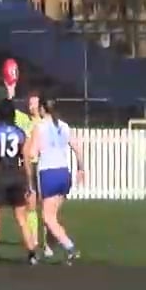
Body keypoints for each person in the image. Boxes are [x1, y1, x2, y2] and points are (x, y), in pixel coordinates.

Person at [0, 98, 40, 266]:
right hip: (16, 177)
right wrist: (30, 184)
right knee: (21, 218)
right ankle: (32, 254)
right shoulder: (20, 134)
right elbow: (26, 160)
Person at [33, 97, 86, 263]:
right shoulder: (64, 126)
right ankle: (48, 250)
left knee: (48, 218)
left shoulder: (39, 127)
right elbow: (77, 148)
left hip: (48, 173)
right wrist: (81, 168)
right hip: (64, 173)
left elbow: (33, 152)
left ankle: (70, 248)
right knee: (53, 216)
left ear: (42, 109)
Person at [17, 92, 44, 252]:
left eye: (34, 103)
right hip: (29, 166)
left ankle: (47, 241)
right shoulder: (24, 120)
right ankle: (33, 238)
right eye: (29, 103)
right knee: (31, 204)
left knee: (46, 206)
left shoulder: (43, 123)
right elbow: (10, 107)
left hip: (42, 166)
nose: (31, 106)